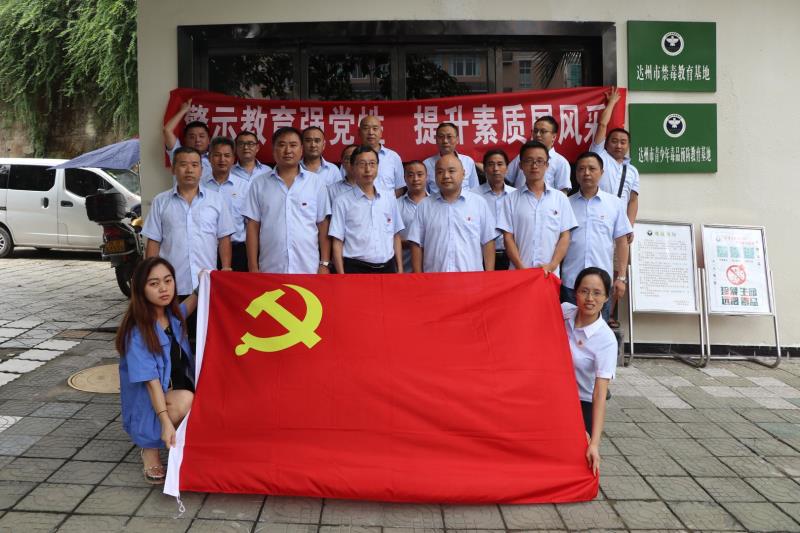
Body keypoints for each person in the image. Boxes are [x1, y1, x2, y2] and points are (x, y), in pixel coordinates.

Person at [116, 257, 197, 484]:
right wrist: (166, 422)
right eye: (154, 284)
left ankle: (177, 437)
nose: (163, 288)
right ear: (141, 290)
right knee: (186, 400)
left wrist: (205, 285)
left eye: (168, 281)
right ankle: (149, 448)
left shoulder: (171, 316)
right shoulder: (137, 332)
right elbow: (152, 384)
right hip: (153, 403)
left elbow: (187, 307)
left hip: (175, 390)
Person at [142, 146, 234, 298]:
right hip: (171, 285)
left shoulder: (216, 200)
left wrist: (225, 268)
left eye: (194, 165)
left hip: (206, 283)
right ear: (173, 169)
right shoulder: (160, 201)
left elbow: (224, 238)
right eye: (183, 165)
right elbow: (154, 241)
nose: (189, 170)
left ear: (201, 170)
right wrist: (150, 274)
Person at [243, 127, 332, 274]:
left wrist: (324, 263)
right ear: (273, 150)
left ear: (301, 149)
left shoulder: (316, 183)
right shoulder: (259, 183)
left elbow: (323, 225)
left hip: (308, 268)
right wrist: (253, 266)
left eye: (293, 145)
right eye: (282, 145)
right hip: (271, 268)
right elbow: (253, 226)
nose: (288, 150)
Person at [560, 152, 632, 320]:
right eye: (581, 169)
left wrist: (621, 277)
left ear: (601, 172)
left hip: (602, 284)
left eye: (592, 169)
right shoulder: (565, 203)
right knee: (569, 329)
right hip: (571, 282)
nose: (586, 173)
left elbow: (622, 242)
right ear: (576, 173)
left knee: (598, 330)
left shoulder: (614, 204)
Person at [562, 266, 617, 476]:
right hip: (554, 396)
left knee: (576, 463)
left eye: (597, 293)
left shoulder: (606, 340)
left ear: (606, 297)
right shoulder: (564, 312)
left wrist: (594, 443)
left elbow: (599, 394)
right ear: (575, 292)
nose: (590, 299)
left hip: (581, 401)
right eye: (584, 291)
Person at [408, 154, 497, 273]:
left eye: (451, 171)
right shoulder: (424, 206)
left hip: (471, 278)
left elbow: (488, 241)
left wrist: (489, 276)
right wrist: (419, 277)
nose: (446, 176)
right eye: (440, 172)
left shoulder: (478, 203)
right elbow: (416, 244)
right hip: (435, 278)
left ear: (463, 174)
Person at [499, 141, 577, 274]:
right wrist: (521, 268)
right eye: (529, 161)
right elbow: (508, 238)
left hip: (550, 274)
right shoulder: (510, 199)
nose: (534, 166)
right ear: (521, 166)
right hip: (519, 274)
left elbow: (565, 236)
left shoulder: (560, 198)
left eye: (540, 161)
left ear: (547, 165)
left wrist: (552, 266)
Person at [329, 146, 404, 274]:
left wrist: (400, 268)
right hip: (355, 268)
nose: (368, 169)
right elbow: (337, 241)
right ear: (352, 167)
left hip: (388, 267)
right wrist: (341, 275)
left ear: (378, 167)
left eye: (372, 164)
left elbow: (395, 234)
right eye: (362, 164)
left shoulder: (389, 198)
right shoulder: (341, 201)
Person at [591, 87, 639, 233]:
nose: (618, 145)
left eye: (623, 142)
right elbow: (602, 125)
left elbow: (633, 200)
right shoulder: (599, 156)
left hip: (619, 226)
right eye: (614, 141)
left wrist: (629, 227)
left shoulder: (632, 171)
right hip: (596, 220)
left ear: (628, 146)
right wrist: (612, 102)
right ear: (606, 143)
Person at [205, 137, 251, 272]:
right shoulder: (200, 186)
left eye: (227, 155)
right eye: (217, 155)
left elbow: (250, 224)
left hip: (238, 251)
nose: (222, 159)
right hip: (206, 250)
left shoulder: (244, 187)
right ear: (209, 158)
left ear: (233, 158)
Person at [508, 116, 572, 194]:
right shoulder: (521, 157)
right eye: (535, 131)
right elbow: (506, 180)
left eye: (543, 131)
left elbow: (563, 193)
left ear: (554, 136)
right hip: (518, 200)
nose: (538, 135)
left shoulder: (561, 162)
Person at [478, 149, 515, 270]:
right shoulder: (473, 196)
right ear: (484, 168)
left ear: (507, 168)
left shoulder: (516, 195)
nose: (496, 169)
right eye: (491, 164)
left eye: (500, 164)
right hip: (482, 255)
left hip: (512, 255)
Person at [424, 123, 480, 194]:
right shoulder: (426, 164)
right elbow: (424, 193)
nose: (445, 141)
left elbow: (475, 189)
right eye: (441, 137)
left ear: (457, 139)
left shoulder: (468, 161)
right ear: (436, 139)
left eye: (449, 136)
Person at [162, 98, 211, 177]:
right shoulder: (179, 154)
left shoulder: (216, 159)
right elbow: (167, 130)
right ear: (185, 140)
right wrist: (183, 110)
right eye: (192, 137)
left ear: (209, 140)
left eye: (201, 136)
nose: (197, 140)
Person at [357, 115, 405, 196]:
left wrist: (387, 202)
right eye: (366, 128)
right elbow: (346, 184)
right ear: (359, 132)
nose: (371, 132)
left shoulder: (393, 157)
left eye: (375, 128)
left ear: (381, 132)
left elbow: (400, 188)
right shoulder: (352, 157)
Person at [397, 160, 428, 273]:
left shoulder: (437, 205)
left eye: (420, 174)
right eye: (410, 175)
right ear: (404, 178)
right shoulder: (396, 205)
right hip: (404, 269)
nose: (415, 179)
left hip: (433, 270)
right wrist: (412, 243)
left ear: (427, 177)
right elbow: (389, 238)